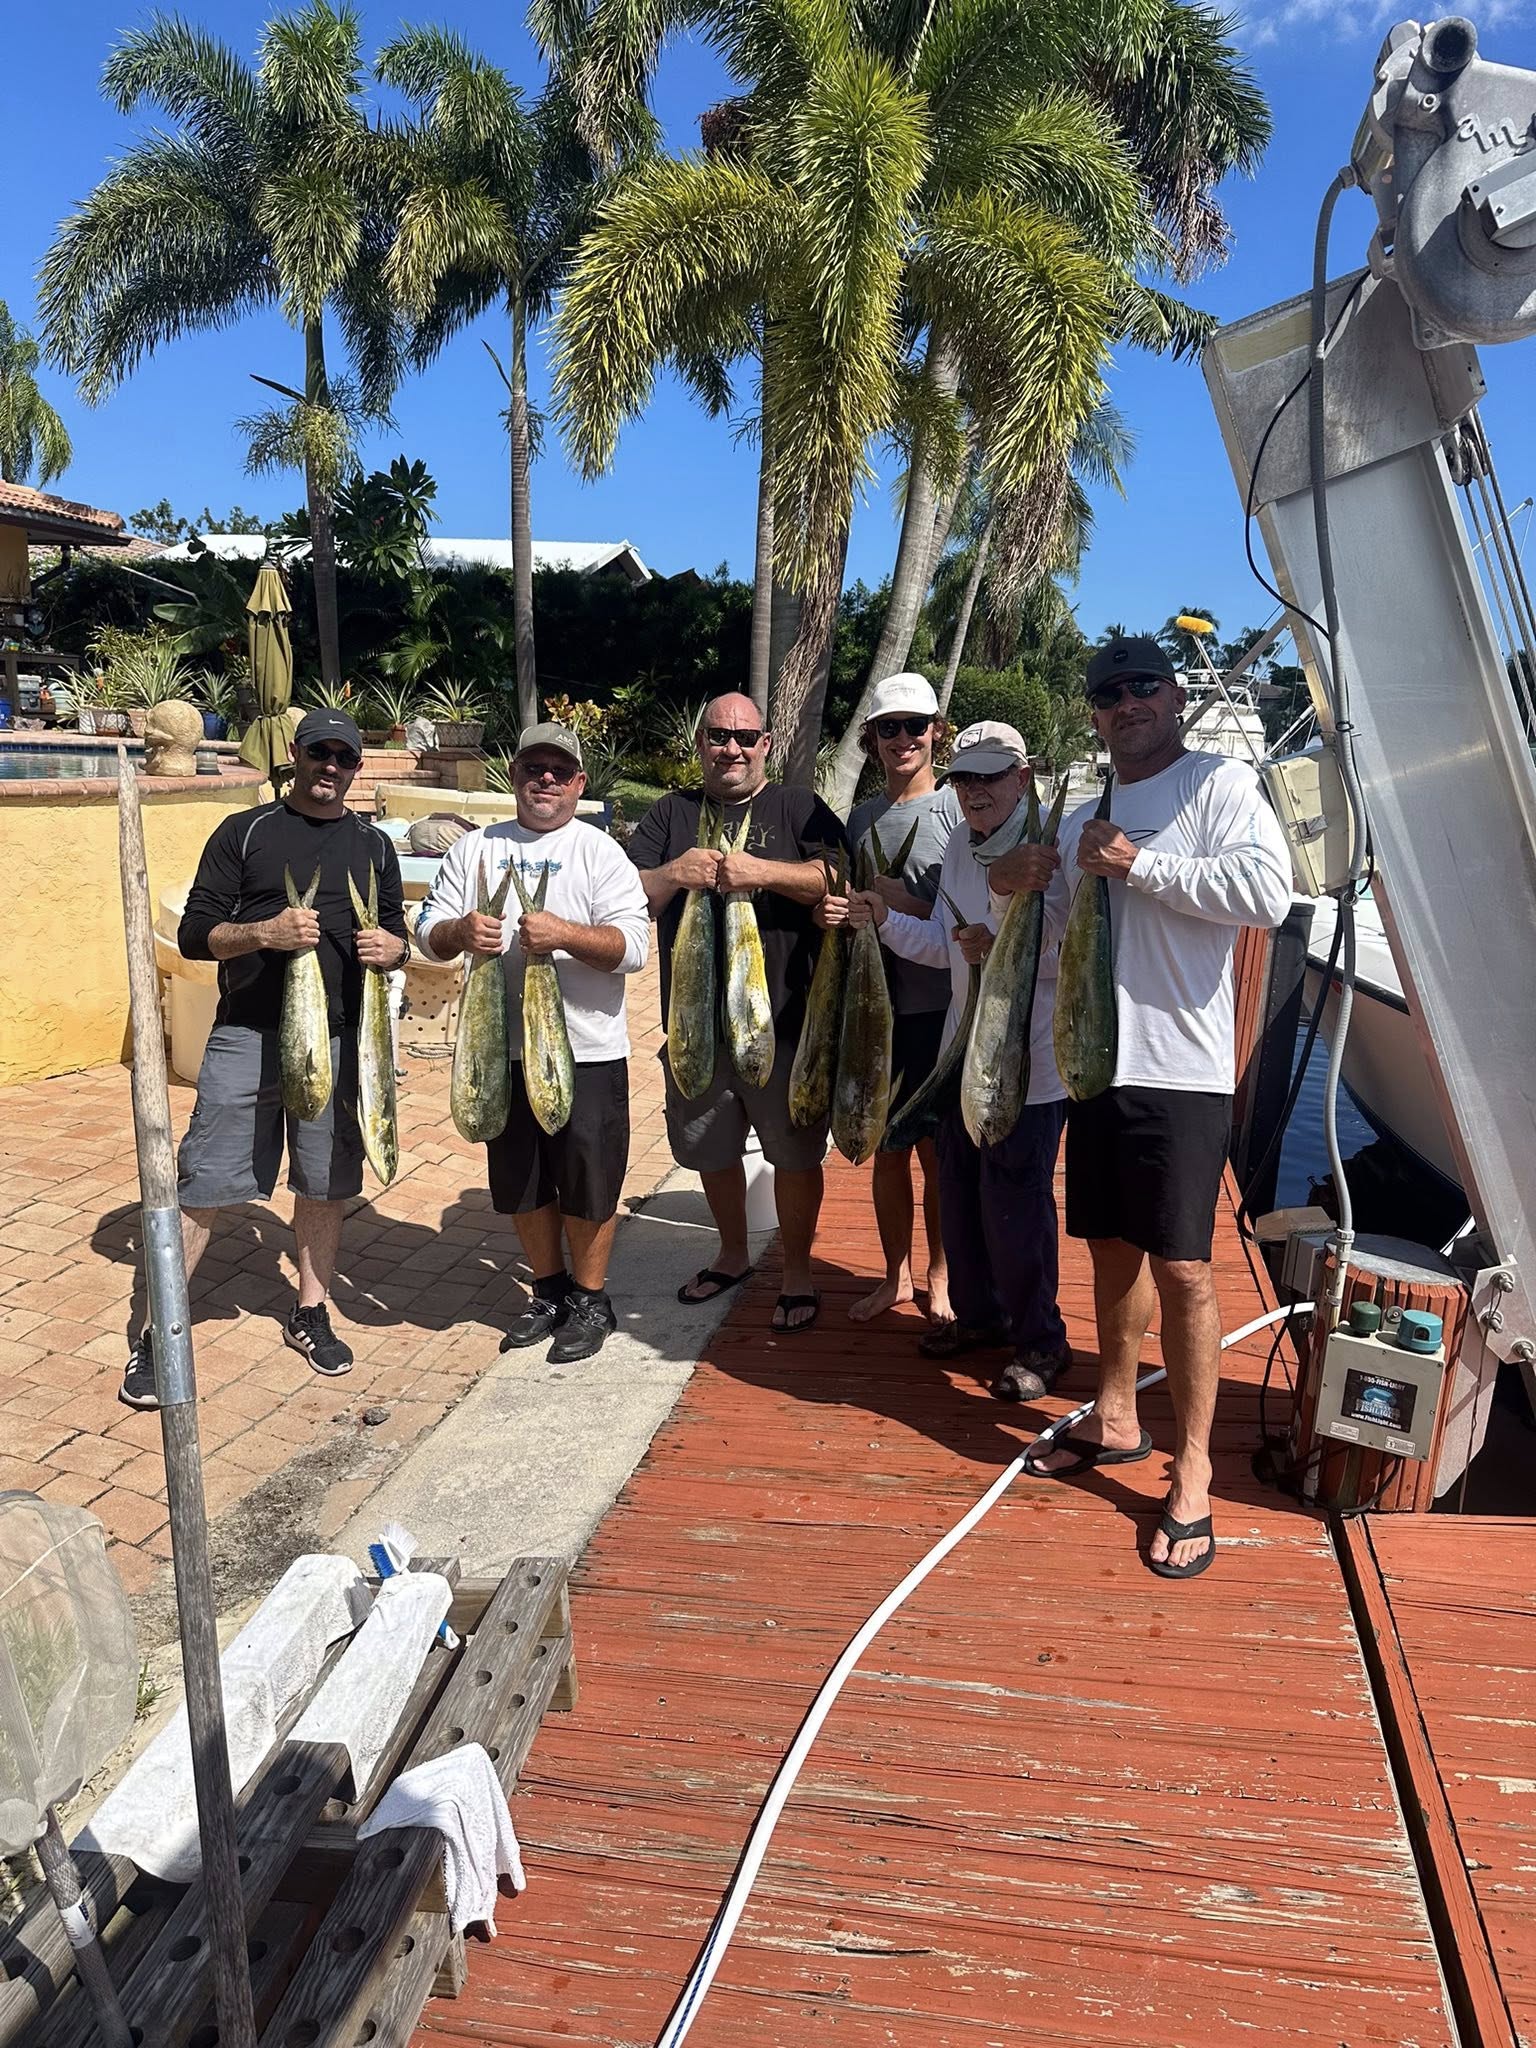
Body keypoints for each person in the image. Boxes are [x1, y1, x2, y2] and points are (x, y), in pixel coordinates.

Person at [1021, 635, 1293, 1580]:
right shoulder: (1081, 814)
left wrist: (1140, 865)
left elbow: (1267, 895)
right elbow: (1058, 935)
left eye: (1143, 687)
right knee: (1109, 1250)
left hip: (1181, 1073)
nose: (1128, 703)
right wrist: (1027, 892)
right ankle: (1120, 1415)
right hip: (1094, 1065)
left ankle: (1195, 1472)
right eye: (1110, 694)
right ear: (1095, 714)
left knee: (1185, 1267)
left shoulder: (1217, 784)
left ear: (1172, 696)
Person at [120, 709, 411, 1409]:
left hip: (342, 1038)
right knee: (205, 1179)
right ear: (295, 754)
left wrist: (394, 950)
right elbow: (196, 934)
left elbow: (398, 931)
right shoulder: (243, 832)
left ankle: (311, 1311)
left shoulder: (373, 846)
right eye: (319, 753)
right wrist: (265, 932)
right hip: (246, 1035)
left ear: (357, 767)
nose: (330, 767)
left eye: (343, 756)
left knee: (325, 1179)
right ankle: (161, 1332)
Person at [840, 721, 1071, 1400]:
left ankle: (1041, 1342)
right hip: (961, 1061)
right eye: (965, 776)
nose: (974, 790)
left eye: (991, 776)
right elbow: (945, 944)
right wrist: (880, 918)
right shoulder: (966, 849)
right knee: (962, 1198)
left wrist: (994, 931)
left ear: (1022, 778)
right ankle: (980, 1318)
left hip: (1024, 1069)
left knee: (1018, 1207)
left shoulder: (1051, 849)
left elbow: (1063, 955)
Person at [416, 723, 650, 1364]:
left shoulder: (601, 853)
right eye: (532, 769)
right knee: (521, 1181)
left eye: (558, 771)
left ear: (578, 783)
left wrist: (566, 934)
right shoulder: (475, 851)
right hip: (500, 1052)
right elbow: (424, 931)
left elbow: (634, 947)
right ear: (513, 775)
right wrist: (460, 930)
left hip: (589, 1049)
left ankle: (590, 1297)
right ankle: (548, 1291)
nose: (544, 780)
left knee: (589, 1182)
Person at [627, 692, 846, 1333]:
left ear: (766, 745)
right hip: (697, 1028)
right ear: (700, 743)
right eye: (719, 735)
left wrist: (763, 872)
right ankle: (731, 1253)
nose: (732, 748)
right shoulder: (671, 813)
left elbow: (836, 877)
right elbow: (628, 892)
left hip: (783, 1023)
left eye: (746, 737)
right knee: (710, 1149)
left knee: (796, 1153)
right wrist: (674, 870)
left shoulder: (798, 806)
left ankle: (797, 1270)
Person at [836, 673, 960, 1325]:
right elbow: (860, 912)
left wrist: (892, 902)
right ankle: (895, 1276)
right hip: (877, 1013)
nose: (904, 738)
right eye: (890, 727)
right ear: (871, 739)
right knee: (886, 1150)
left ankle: (940, 1279)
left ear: (937, 731)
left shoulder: (958, 811)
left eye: (916, 725)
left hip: (939, 1011)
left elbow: (964, 918)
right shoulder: (861, 818)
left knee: (936, 1155)